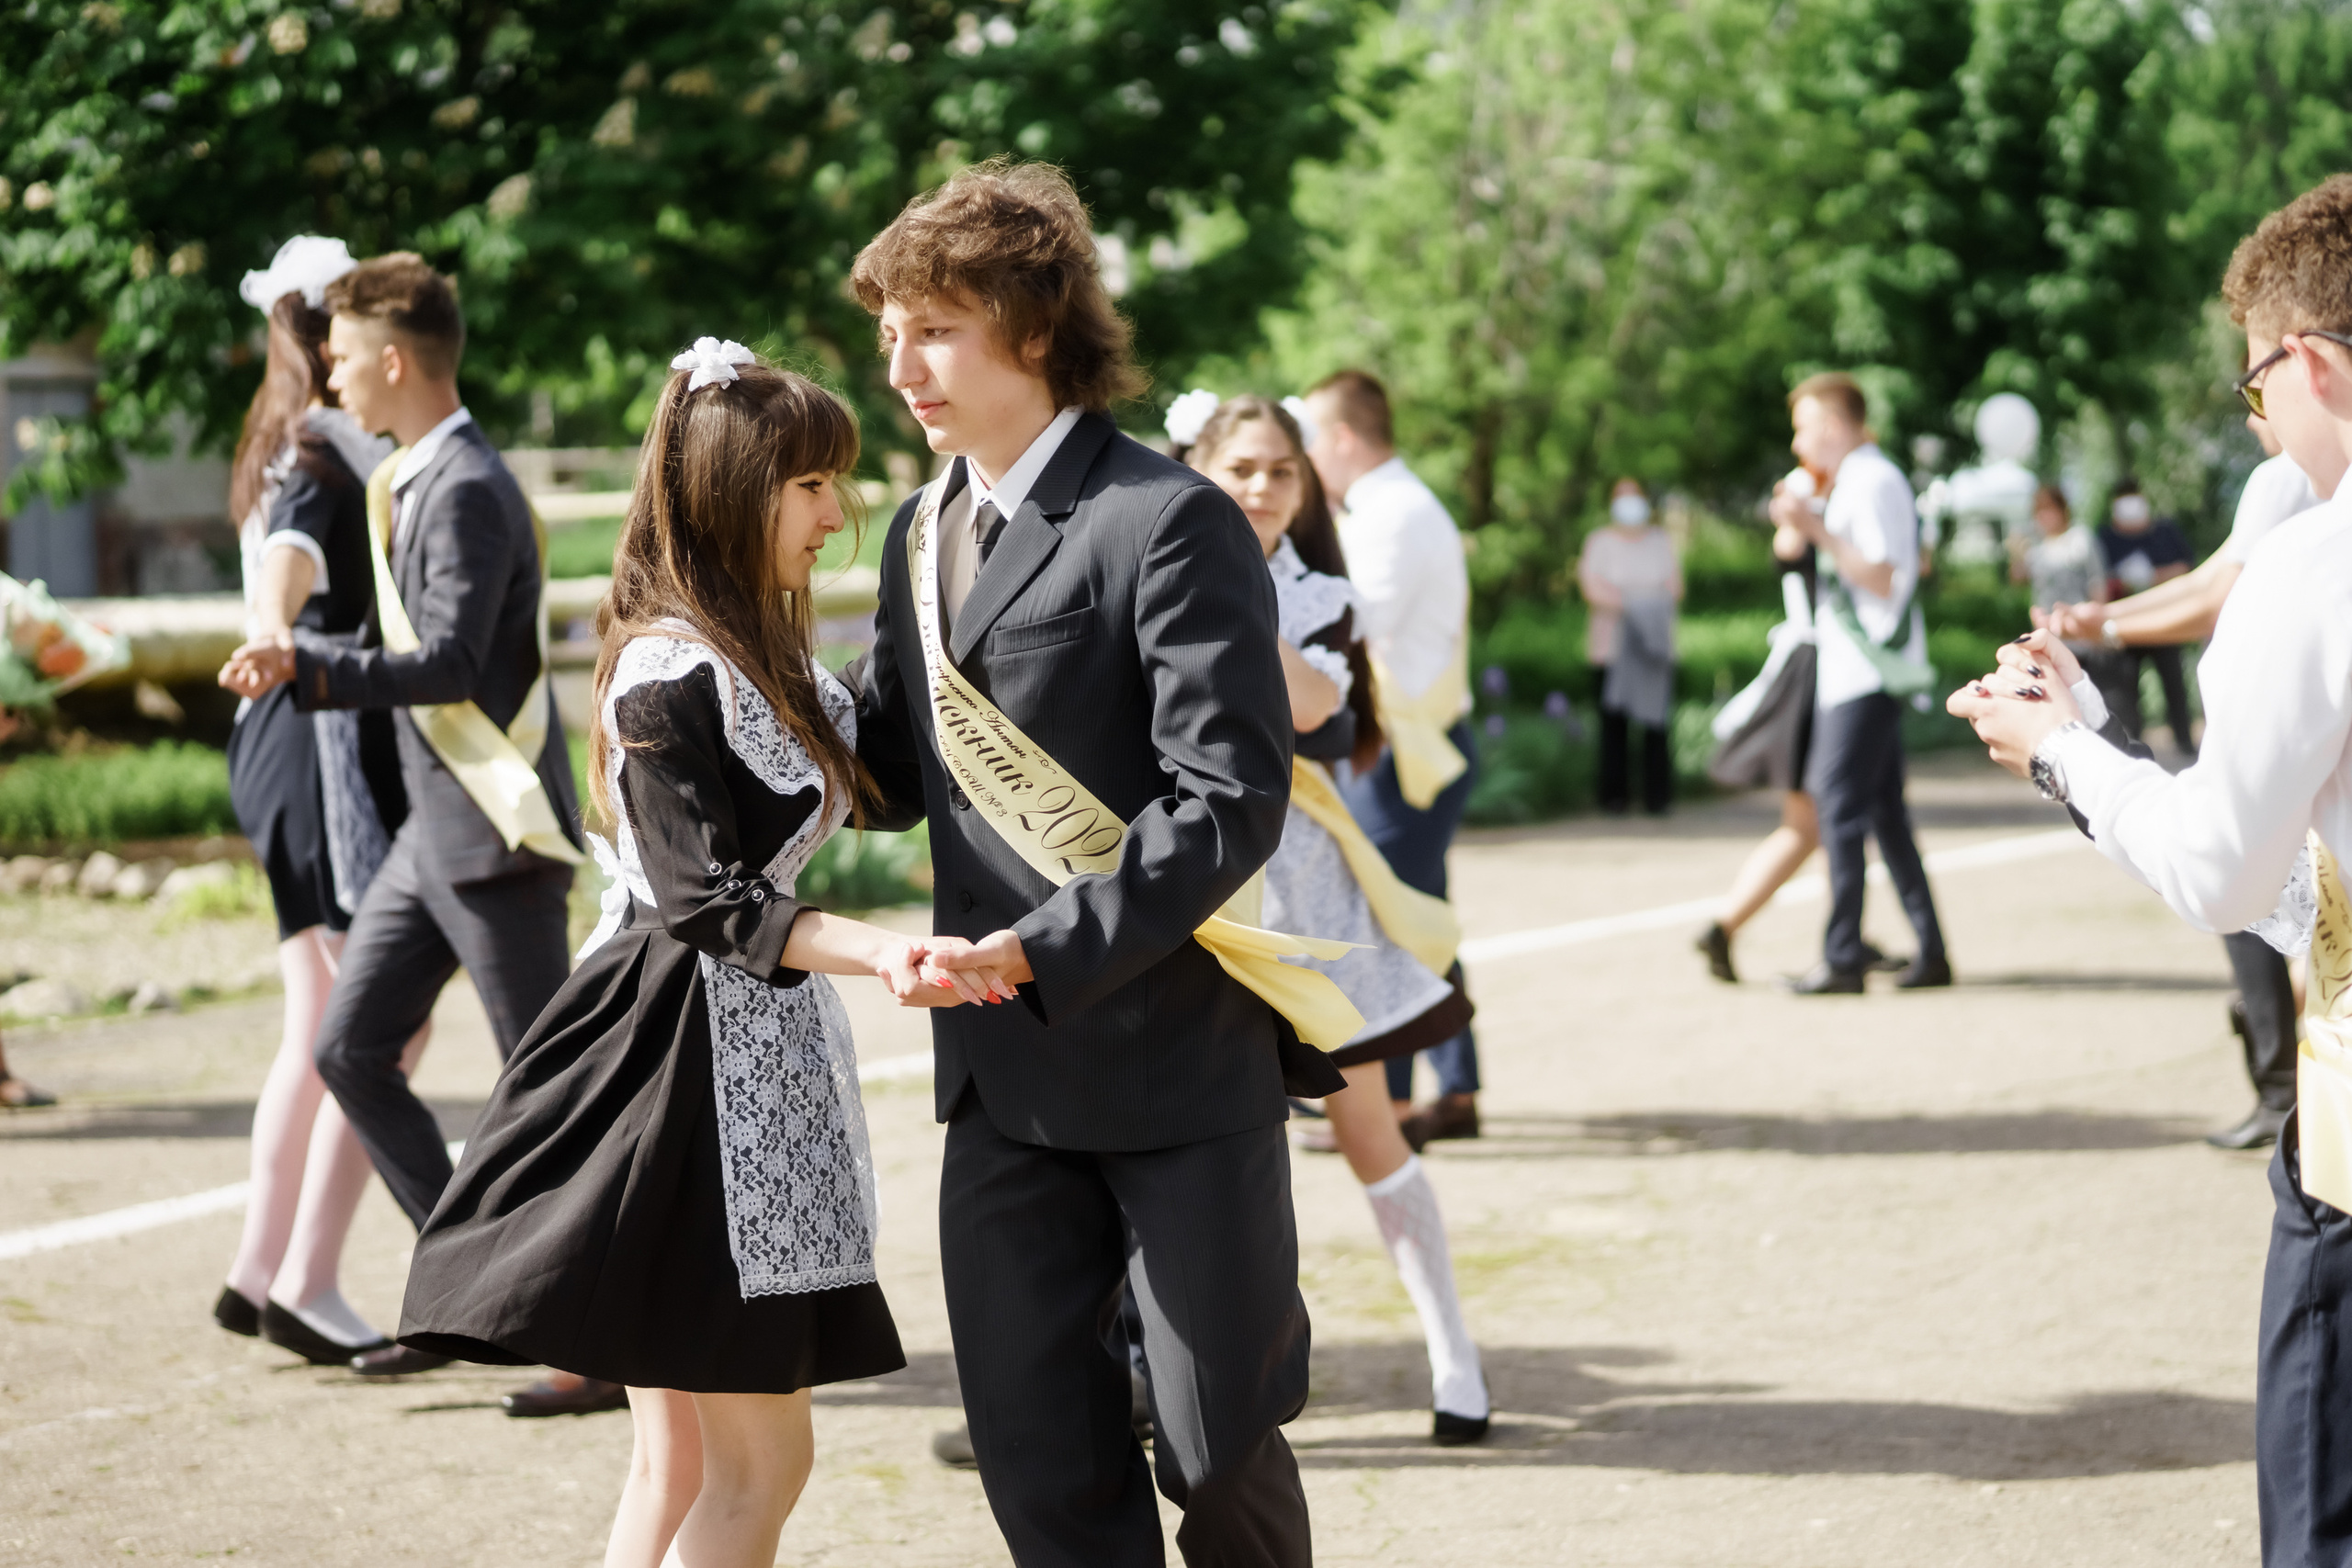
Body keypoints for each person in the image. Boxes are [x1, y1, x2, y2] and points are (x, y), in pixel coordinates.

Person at [396, 347, 971, 1568]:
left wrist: (946, 543)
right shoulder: (668, 672)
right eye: (809, 483)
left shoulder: (770, 660)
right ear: (727, 493)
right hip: (679, 1067)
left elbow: (887, 786)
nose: (833, 513)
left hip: (732, 1050)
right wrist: (882, 947)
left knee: (689, 1460)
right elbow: (707, 901)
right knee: (762, 1463)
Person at [850, 160, 1335, 1567]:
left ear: (1037, 325)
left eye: (934, 324)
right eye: (890, 330)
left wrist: (1042, 946)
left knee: (1216, 1439)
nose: (905, 364)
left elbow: (1230, 795)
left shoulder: (1164, 517)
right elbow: (894, 767)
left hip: (1176, 1065)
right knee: (1037, 1454)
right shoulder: (921, 526)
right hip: (1001, 1086)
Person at [1948, 174, 2352, 1568]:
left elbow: (2227, 876)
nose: (2260, 422)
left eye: (2254, 391)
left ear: (2304, 361)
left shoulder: (2315, 564)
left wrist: (2067, 749)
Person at [220, 253, 582, 1378]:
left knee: (546, 1089)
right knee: (350, 1049)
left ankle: (596, 1335)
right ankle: (474, 1282)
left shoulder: (466, 483)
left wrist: (306, 663)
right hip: (433, 833)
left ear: (390, 358)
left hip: (493, 832)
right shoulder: (411, 475)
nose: (326, 377)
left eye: (337, 358)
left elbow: (458, 665)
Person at [1188, 393, 1490, 1443]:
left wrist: (1212, 586)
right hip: (1186, 898)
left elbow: (1315, 706)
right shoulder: (1142, 572)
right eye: (1240, 468)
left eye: (1280, 470)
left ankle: (1455, 1358)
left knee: (1369, 1132)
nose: (1262, 487)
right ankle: (1160, 1381)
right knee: (1182, 1150)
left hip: (1302, 890)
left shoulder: (1318, 594)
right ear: (1198, 468)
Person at [210, 236, 425, 1368]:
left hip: (279, 734)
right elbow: (290, 552)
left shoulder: (271, 433)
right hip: (321, 736)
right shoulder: (323, 445)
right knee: (369, 1025)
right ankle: (306, 1278)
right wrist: (274, 632)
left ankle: (265, 1269)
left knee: (321, 1022)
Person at [2043, 422, 2325, 1152]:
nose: (2251, 417)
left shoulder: (2293, 475)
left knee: (2240, 887)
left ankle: (2277, 1081)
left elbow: (2215, 593)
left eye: (2257, 387)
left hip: (2273, 729)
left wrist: (2102, 635)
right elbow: (2210, 579)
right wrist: (2104, 620)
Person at [1302, 368, 1483, 1147]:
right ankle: (1460, 1090)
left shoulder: (1393, 514)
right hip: (1411, 744)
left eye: (1309, 440)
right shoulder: (1394, 506)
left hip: (1405, 749)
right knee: (1416, 916)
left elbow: (1346, 624)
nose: (1304, 461)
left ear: (1343, 437)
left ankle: (1398, 1109)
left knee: (1383, 922)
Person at [1773, 373, 1951, 994]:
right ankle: (1931, 949)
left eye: (1803, 425)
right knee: (1884, 814)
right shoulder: (1857, 479)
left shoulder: (1871, 479)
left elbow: (1881, 577)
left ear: (1831, 423)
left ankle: (1844, 953)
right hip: (1864, 669)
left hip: (1868, 671)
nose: (1799, 441)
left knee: (1838, 804)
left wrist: (1817, 527)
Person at [1578, 478, 1682, 816]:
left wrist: (1633, 602)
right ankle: (1614, 797)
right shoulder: (1599, 542)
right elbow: (1593, 589)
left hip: (1653, 648)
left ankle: (1657, 796)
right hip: (1611, 647)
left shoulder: (1660, 542)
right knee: (1614, 725)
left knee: (1655, 725)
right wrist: (1639, 601)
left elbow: (1674, 588)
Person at [2093, 478, 2199, 754]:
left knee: (2174, 685)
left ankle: (2185, 744)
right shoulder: (2105, 537)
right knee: (2126, 693)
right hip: (2124, 628)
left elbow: (2188, 568)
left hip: (2164, 622)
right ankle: (2131, 747)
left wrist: (2154, 576)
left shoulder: (2164, 531)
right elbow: (2099, 579)